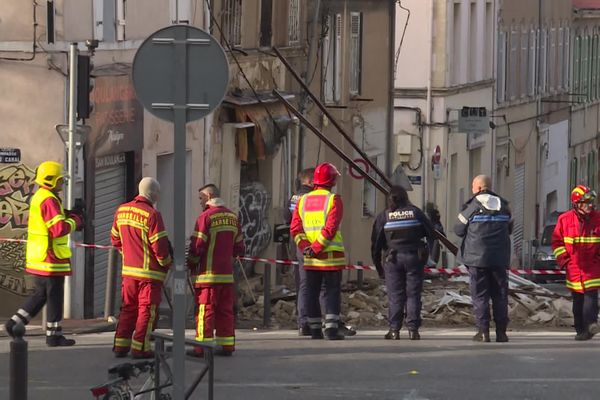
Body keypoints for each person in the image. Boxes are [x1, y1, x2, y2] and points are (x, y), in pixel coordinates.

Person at [4, 161, 83, 346]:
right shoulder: (49, 199)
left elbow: (51, 220)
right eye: (60, 180)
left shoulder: (41, 196)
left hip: (40, 256)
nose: (62, 183)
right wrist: (76, 221)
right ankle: (53, 335)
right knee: (54, 296)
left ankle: (15, 322)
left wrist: (69, 213)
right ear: (51, 181)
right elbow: (58, 229)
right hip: (50, 257)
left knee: (40, 295)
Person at [111, 177, 173, 359]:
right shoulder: (152, 215)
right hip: (149, 274)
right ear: (152, 194)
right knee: (147, 310)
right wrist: (166, 263)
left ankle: (121, 346)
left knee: (128, 308)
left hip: (129, 272)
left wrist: (128, 255)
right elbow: (160, 247)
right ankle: (140, 348)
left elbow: (115, 239)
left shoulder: (121, 210)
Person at [290, 162, 347, 340]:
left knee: (311, 291)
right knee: (331, 291)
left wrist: (307, 248)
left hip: (310, 257)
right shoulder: (333, 200)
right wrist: (316, 248)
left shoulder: (302, 200)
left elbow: (295, 229)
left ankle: (314, 328)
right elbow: (330, 228)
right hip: (330, 256)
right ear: (332, 180)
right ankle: (331, 328)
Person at [187, 184, 245, 357]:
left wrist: (191, 264)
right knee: (225, 311)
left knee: (206, 311)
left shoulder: (205, 217)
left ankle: (201, 348)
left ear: (209, 196)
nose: (199, 202)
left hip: (208, 277)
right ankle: (226, 345)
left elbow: (197, 247)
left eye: (200, 198)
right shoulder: (233, 217)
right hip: (227, 277)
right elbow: (239, 247)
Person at [371, 186, 435, 340]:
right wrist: (430, 256)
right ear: (406, 197)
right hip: (414, 257)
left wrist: (378, 266)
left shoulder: (384, 216)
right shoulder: (415, 213)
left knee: (395, 296)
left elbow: (376, 244)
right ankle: (413, 330)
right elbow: (431, 233)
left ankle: (394, 330)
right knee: (413, 294)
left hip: (392, 259)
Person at [454, 175, 512, 343]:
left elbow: (458, 229)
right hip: (499, 259)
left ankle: (483, 332)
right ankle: (502, 333)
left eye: (473, 186)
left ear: (478, 188)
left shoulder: (471, 207)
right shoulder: (504, 206)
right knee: (500, 296)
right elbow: (508, 228)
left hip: (476, 259)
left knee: (480, 296)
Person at [552, 185, 600, 341]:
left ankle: (591, 324)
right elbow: (557, 243)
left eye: (591, 202)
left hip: (592, 268)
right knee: (578, 301)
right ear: (577, 204)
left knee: (591, 298)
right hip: (573, 269)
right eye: (586, 202)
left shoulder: (598, 219)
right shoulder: (564, 220)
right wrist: (565, 261)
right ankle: (580, 329)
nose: (590, 205)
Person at [284, 168, 315, 336]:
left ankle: (303, 322)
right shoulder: (314, 198)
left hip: (298, 244)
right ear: (310, 181)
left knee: (303, 284)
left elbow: (286, 219)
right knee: (320, 285)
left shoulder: (294, 197)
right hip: (316, 243)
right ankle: (320, 320)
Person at [425, 202, 445, 267]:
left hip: (433, 239)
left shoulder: (431, 218)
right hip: (433, 240)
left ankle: (432, 264)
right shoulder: (432, 217)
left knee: (433, 254)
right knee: (433, 254)